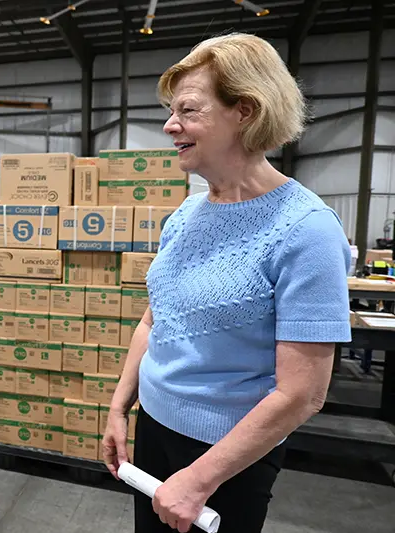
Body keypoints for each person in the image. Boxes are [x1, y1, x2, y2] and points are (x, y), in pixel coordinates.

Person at [102, 33, 351, 533]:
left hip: (227, 456)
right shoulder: (187, 213)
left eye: (189, 110)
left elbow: (302, 394)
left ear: (246, 111)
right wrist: (119, 406)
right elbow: (155, 318)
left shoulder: (307, 229)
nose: (171, 125)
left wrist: (198, 480)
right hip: (155, 428)